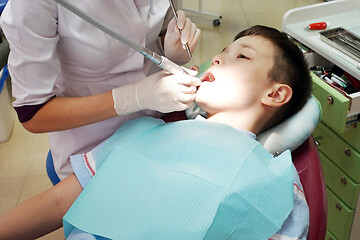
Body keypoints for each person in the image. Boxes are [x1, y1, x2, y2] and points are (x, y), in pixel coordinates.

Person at [0, 25, 312, 240]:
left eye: (241, 56)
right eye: (222, 51)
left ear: (275, 94)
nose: (216, 57)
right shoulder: (140, 132)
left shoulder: (278, 186)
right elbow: (56, 204)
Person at [0, 0, 202, 181]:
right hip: (94, 145)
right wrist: (132, 97)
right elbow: (33, 114)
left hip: (159, 126)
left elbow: (158, 27)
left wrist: (171, 49)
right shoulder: (31, 5)